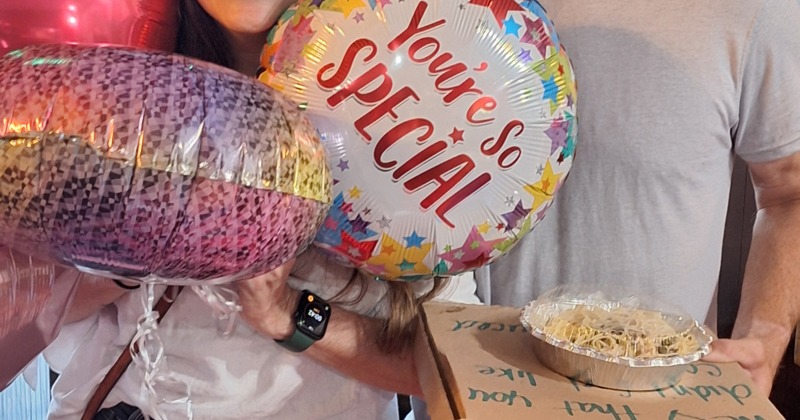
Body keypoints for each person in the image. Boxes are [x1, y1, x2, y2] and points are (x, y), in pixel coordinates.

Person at [44, 1, 479, 419]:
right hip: (125, 406)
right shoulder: (123, 85)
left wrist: (286, 313)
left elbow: (451, 364)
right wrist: (137, 255)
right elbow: (35, 308)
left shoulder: (407, 107)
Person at [477, 0, 800, 399]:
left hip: (655, 398)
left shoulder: (757, 10)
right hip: (467, 382)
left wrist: (765, 336)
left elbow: (789, 194)